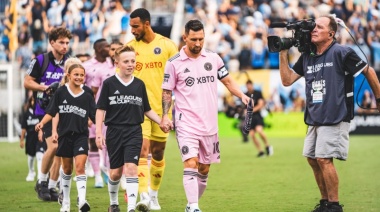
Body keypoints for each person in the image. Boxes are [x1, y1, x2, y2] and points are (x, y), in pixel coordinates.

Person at [279, 15, 380, 212]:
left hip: (335, 115)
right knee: (312, 158)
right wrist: (283, 52)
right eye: (313, 27)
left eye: (319, 27)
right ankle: (325, 201)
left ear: (331, 33)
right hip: (315, 118)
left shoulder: (342, 52)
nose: (313, 30)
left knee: (325, 159)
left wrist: (378, 97)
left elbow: (369, 71)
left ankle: (334, 205)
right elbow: (287, 80)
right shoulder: (308, 55)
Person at [160, 19, 250, 212]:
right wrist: (165, 116)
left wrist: (241, 95)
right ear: (185, 38)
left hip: (209, 125)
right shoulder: (173, 63)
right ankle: (194, 207)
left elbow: (227, 81)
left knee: (204, 169)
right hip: (186, 123)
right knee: (191, 163)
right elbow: (167, 91)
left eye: (201, 39)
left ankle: (191, 204)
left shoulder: (213, 58)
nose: (198, 43)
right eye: (193, 39)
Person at [95, 45, 166, 212]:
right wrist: (99, 133)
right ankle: (113, 203)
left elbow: (147, 109)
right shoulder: (109, 84)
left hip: (134, 131)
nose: (130, 64)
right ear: (117, 63)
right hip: (114, 131)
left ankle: (131, 207)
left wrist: (161, 121)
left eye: (133, 61)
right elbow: (100, 110)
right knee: (115, 173)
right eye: (126, 61)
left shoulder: (139, 85)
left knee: (132, 168)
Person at [127, 8, 178, 211]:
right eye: (131, 26)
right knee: (142, 151)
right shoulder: (129, 48)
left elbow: (178, 76)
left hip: (162, 109)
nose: (132, 30)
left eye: (135, 26)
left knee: (158, 153)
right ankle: (144, 195)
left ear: (147, 24)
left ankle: (154, 195)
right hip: (137, 109)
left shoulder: (167, 46)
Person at [35, 63, 95, 212]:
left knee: (80, 167)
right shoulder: (61, 92)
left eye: (82, 75)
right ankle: (66, 201)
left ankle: (82, 200)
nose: (79, 77)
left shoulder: (87, 93)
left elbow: (95, 115)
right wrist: (42, 123)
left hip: (81, 136)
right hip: (65, 136)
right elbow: (52, 111)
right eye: (76, 74)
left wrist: (105, 126)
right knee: (67, 169)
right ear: (68, 75)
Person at [24, 27, 72, 201]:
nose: (65, 46)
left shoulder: (69, 62)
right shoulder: (40, 60)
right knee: (52, 147)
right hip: (44, 111)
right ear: (52, 42)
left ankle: (52, 187)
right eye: (61, 42)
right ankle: (42, 182)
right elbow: (27, 82)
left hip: (63, 112)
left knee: (59, 150)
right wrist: (45, 88)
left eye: (67, 42)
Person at [82, 38, 112, 188]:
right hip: (93, 111)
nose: (109, 48)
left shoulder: (113, 65)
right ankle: (98, 175)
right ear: (99, 49)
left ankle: (107, 169)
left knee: (110, 143)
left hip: (111, 111)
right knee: (93, 142)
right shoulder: (86, 66)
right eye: (107, 46)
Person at [244, 80, 273, 157]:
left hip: (257, 116)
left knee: (259, 130)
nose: (248, 87)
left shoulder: (257, 93)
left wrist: (251, 110)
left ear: (252, 85)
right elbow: (245, 108)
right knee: (252, 134)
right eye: (247, 85)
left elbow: (261, 104)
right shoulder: (245, 94)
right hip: (250, 118)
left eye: (250, 85)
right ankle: (261, 151)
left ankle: (267, 145)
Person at [20, 96, 45, 182]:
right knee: (31, 157)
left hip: (39, 138)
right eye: (32, 100)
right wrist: (22, 140)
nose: (34, 102)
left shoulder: (41, 113)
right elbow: (23, 128)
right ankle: (31, 172)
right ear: (30, 102)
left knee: (40, 156)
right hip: (30, 139)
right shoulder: (27, 114)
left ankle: (40, 176)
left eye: (35, 101)